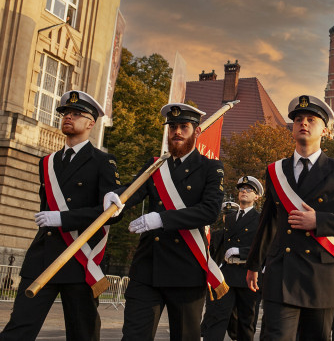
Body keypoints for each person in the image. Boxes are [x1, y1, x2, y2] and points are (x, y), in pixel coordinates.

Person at [246, 95, 334, 341]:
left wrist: (320, 221)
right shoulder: (275, 170)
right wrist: (253, 264)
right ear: (292, 128)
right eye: (298, 119)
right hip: (281, 273)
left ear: (325, 130)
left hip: (321, 276)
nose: (303, 123)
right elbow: (268, 221)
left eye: (311, 120)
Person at [1, 91, 119, 341]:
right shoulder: (46, 162)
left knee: (82, 334)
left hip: (78, 258)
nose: (68, 117)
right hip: (42, 256)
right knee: (18, 329)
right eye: (66, 113)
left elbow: (111, 214)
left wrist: (63, 219)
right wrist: (52, 220)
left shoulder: (103, 162)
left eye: (77, 114)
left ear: (91, 123)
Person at [104, 103, 224, 340]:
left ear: (197, 132)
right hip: (148, 267)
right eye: (173, 127)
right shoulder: (155, 165)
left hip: (187, 270)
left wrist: (162, 219)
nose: (176, 132)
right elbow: (133, 192)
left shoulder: (210, 168)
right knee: (134, 335)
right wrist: (115, 198)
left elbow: (210, 211)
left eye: (184, 127)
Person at [201, 176, 264, 341]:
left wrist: (242, 252)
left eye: (249, 190)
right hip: (227, 274)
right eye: (242, 189)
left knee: (246, 323)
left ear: (256, 197)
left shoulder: (260, 219)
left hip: (248, 275)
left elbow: (266, 247)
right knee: (216, 317)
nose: (244, 191)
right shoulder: (229, 219)